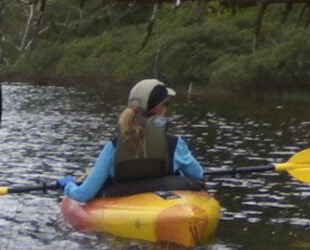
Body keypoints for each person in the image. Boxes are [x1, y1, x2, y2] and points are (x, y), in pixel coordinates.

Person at [62, 78, 207, 201]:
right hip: (162, 206)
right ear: (158, 110)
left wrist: (68, 185)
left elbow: (83, 195)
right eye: (166, 104)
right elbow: (198, 175)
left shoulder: (113, 147)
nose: (167, 109)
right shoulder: (175, 145)